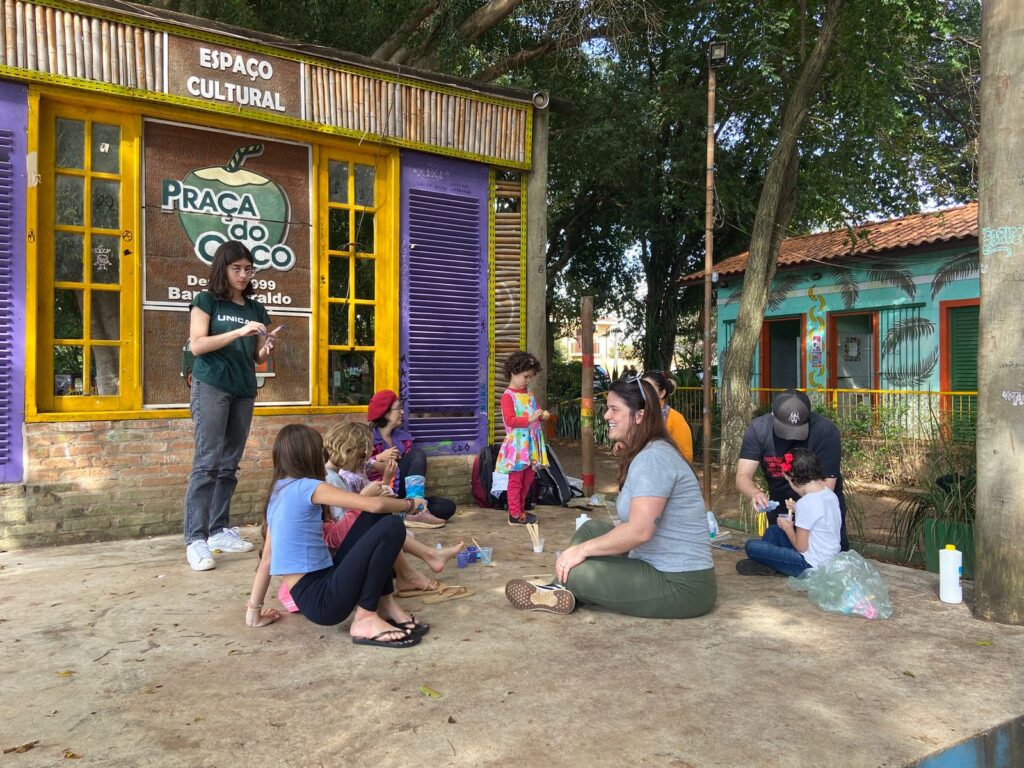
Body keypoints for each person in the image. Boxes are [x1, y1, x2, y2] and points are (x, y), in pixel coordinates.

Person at [505, 377, 716, 619]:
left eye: (614, 409)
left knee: (578, 570)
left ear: (640, 415)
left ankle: (563, 585)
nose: (606, 416)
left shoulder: (654, 458)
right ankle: (559, 588)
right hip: (651, 563)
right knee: (590, 529)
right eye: (607, 408)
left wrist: (582, 550)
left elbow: (639, 531)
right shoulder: (647, 452)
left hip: (681, 586)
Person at [245, 425, 430, 648]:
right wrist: (411, 504)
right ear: (312, 455)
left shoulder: (278, 492)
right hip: (323, 600)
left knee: (377, 520)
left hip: (316, 592)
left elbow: (267, 560)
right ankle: (365, 618)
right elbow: (376, 504)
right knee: (391, 525)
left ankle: (385, 604)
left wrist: (253, 613)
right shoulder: (309, 486)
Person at [182, 241, 283, 572]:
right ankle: (195, 539)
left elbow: (257, 357)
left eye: (248, 269)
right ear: (222, 268)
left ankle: (218, 530)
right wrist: (240, 331)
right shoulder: (206, 300)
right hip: (211, 385)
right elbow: (198, 346)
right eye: (236, 268)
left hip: (243, 389)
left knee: (229, 464)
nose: (243, 275)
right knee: (207, 462)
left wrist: (266, 347)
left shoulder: (255, 308)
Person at [735, 388, 849, 553]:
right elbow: (742, 476)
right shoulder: (758, 429)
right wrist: (755, 493)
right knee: (775, 549)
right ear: (773, 416)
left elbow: (826, 486)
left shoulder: (825, 431)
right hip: (782, 511)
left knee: (825, 559)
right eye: (786, 429)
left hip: (819, 516)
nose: (791, 437)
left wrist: (801, 509)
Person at [739, 448, 841, 576]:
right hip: (828, 559)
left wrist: (788, 528)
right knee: (774, 530)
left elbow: (801, 547)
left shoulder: (806, 503)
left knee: (751, 546)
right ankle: (770, 565)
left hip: (809, 565)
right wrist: (797, 507)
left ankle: (770, 565)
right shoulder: (829, 494)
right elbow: (819, 513)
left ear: (793, 478)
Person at [366, 390, 455, 528]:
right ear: (386, 413)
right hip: (380, 494)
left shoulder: (403, 438)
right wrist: (377, 458)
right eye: (398, 408)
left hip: (402, 495)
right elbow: (353, 468)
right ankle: (412, 511)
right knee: (417, 454)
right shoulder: (367, 439)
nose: (402, 412)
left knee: (447, 507)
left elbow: (411, 469)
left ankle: (413, 507)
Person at [495, 351, 549, 526]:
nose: (528, 380)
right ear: (513, 372)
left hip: (531, 444)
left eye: (530, 377)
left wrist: (542, 415)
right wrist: (530, 418)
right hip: (518, 446)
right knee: (516, 480)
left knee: (527, 480)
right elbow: (510, 420)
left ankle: (520, 511)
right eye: (526, 376)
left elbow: (536, 411)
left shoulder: (529, 394)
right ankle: (514, 514)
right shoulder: (507, 396)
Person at [642, 370, 693, 461]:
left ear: (662, 393)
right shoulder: (638, 414)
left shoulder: (676, 419)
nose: (644, 393)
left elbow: (686, 455)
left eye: (649, 389)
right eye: (641, 388)